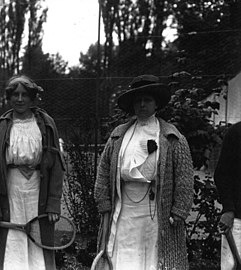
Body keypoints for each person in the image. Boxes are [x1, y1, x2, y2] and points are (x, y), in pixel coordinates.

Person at [94, 74, 194, 269]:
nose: (142, 104)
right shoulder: (118, 135)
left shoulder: (172, 137)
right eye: (137, 100)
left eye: (147, 100)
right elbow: (104, 169)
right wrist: (103, 201)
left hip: (155, 210)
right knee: (122, 253)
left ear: (156, 104)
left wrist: (179, 210)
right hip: (123, 209)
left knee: (153, 258)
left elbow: (184, 177)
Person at [0, 74, 65, 270]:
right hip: (10, 191)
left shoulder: (46, 124)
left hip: (38, 190)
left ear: (32, 97)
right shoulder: (1, 126)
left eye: (24, 95)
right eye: (15, 95)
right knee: (12, 240)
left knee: (38, 238)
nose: (19, 99)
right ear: (9, 97)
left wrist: (53, 203)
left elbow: (56, 166)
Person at [214, 121, 241, 269]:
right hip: (238, 220)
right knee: (231, 265)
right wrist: (229, 209)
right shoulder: (236, 132)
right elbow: (222, 174)